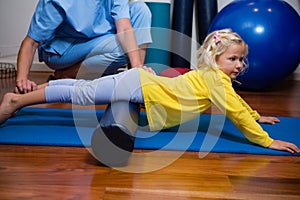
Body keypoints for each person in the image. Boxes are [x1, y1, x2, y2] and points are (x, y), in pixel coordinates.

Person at [1, 29, 299, 154]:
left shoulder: (214, 77)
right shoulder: (216, 80)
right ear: (215, 57)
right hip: (139, 87)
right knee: (81, 94)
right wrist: (266, 141)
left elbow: (236, 103)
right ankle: (17, 100)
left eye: (241, 59)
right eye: (232, 59)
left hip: (142, 88)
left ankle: (25, 96)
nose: (239, 65)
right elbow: (234, 111)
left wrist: (257, 116)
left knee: (81, 90)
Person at [15, 0, 152, 94]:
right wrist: (22, 81)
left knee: (141, 10)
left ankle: (135, 84)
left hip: (98, 37)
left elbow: (124, 27)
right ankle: (67, 74)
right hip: (62, 50)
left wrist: (137, 69)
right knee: (122, 47)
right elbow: (31, 42)